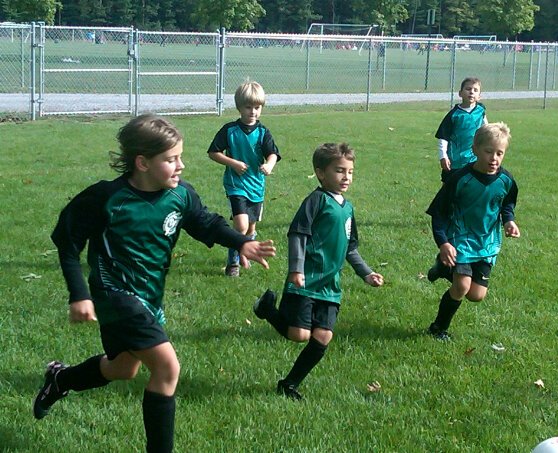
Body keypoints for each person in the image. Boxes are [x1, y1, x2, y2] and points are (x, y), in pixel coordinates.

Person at [33, 114, 276, 452]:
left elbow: (205, 222)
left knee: (122, 369)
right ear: (142, 162)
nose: (181, 165)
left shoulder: (180, 195)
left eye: (180, 157)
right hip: (114, 294)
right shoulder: (106, 198)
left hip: (149, 297)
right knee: (167, 367)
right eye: (171, 159)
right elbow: (67, 242)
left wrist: (240, 242)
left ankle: (61, 379)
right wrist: (79, 294)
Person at [252, 142, 384, 399]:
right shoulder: (316, 200)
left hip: (330, 285)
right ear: (321, 173)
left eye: (350, 172)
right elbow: (297, 234)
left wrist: (366, 273)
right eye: (339, 171)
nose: (346, 177)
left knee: (323, 337)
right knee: (299, 334)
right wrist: (296, 269)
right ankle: (266, 309)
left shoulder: (347, 208)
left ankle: (289, 384)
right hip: (306, 280)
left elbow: (350, 248)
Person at [425, 122, 520, 341]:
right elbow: (438, 214)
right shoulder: (459, 179)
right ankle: (438, 328)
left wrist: (509, 221)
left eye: (499, 153)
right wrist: (444, 244)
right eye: (488, 151)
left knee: (476, 295)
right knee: (461, 286)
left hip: (487, 243)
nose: (494, 158)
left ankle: (442, 268)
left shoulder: (506, 181)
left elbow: (507, 204)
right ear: (475, 149)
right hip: (461, 240)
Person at [208, 80, 281, 277]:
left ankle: (245, 252)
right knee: (240, 225)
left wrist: (268, 165)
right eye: (248, 107)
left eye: (257, 107)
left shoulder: (263, 132)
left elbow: (273, 154)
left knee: (250, 228)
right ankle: (233, 264)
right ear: (239, 107)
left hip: (256, 185)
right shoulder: (229, 130)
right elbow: (213, 152)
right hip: (236, 184)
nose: (253, 112)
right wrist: (233, 163)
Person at [435, 77, 488, 183]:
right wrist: (443, 156)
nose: (471, 92)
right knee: (450, 189)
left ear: (479, 96)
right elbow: (443, 137)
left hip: (474, 158)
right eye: (468, 89)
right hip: (456, 161)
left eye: (475, 90)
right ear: (460, 93)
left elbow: (486, 129)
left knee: (473, 186)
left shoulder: (480, 111)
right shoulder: (454, 115)